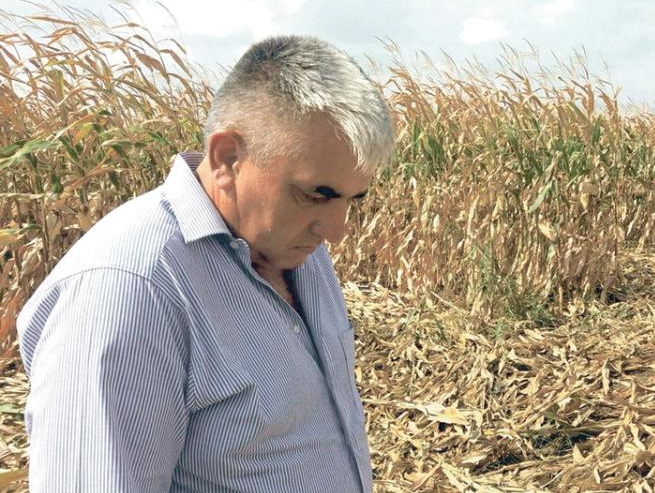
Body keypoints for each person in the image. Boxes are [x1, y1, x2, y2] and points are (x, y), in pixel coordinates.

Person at [16, 35, 394, 492]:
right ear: (227, 159)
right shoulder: (129, 291)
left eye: (353, 199)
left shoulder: (298, 250)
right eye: (317, 194)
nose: (337, 230)